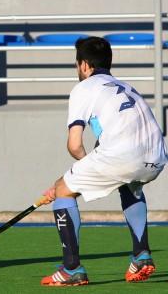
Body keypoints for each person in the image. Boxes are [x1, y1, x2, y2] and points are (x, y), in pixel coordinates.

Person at [39, 36, 167, 286]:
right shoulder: (125, 86)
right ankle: (141, 255)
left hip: (123, 156)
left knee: (62, 189)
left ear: (84, 65)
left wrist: (80, 175)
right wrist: (92, 171)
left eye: (76, 65)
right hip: (157, 157)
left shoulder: (84, 87)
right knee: (130, 183)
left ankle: (71, 269)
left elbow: (74, 144)